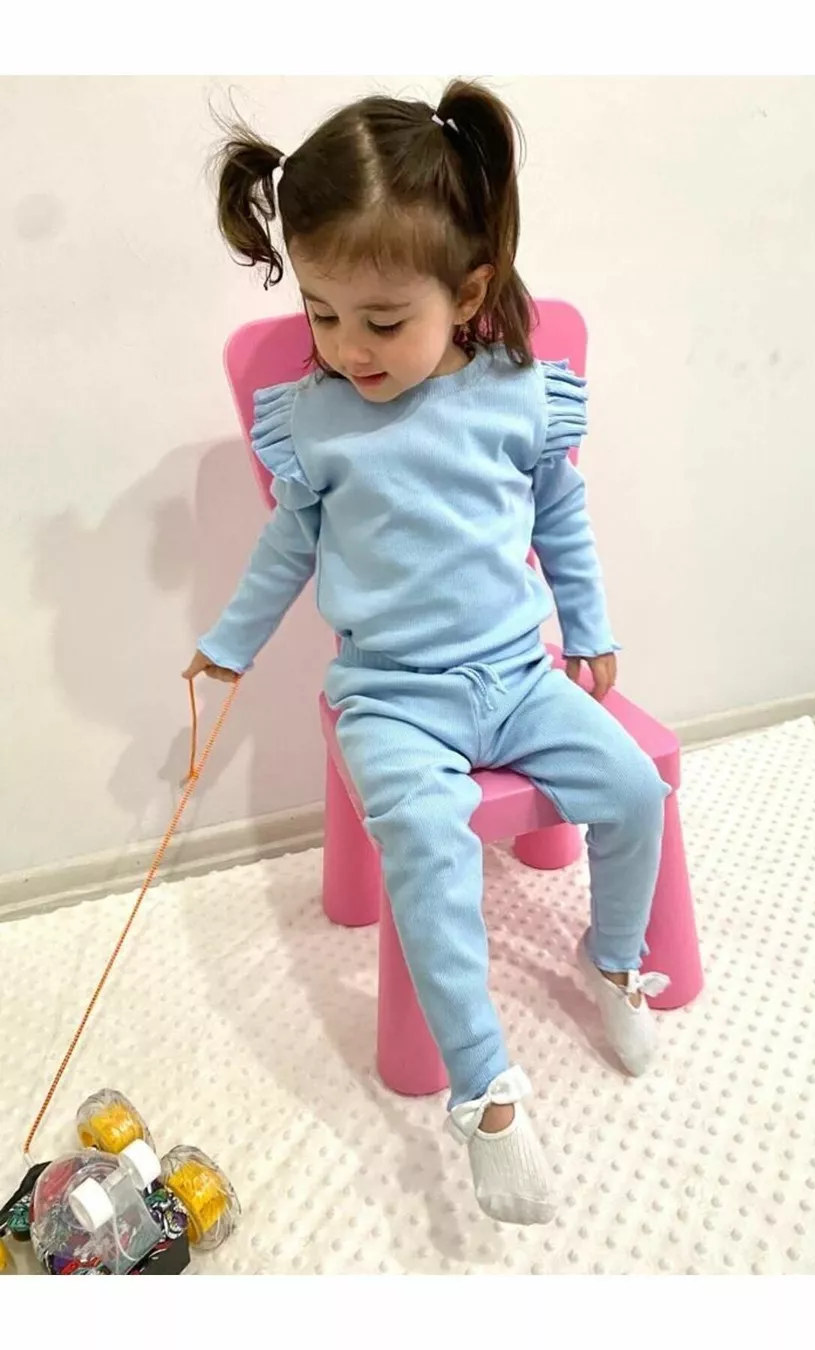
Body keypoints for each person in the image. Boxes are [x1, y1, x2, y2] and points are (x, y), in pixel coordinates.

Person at [184, 80, 670, 1227]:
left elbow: (561, 516)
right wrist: (227, 646)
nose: (346, 348)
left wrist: (590, 628)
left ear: (469, 293)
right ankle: (486, 1094)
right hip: (391, 699)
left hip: (518, 676)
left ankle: (612, 959)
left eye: (380, 321)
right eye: (321, 315)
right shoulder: (316, 420)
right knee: (429, 853)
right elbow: (286, 549)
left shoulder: (518, 394)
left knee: (634, 790)